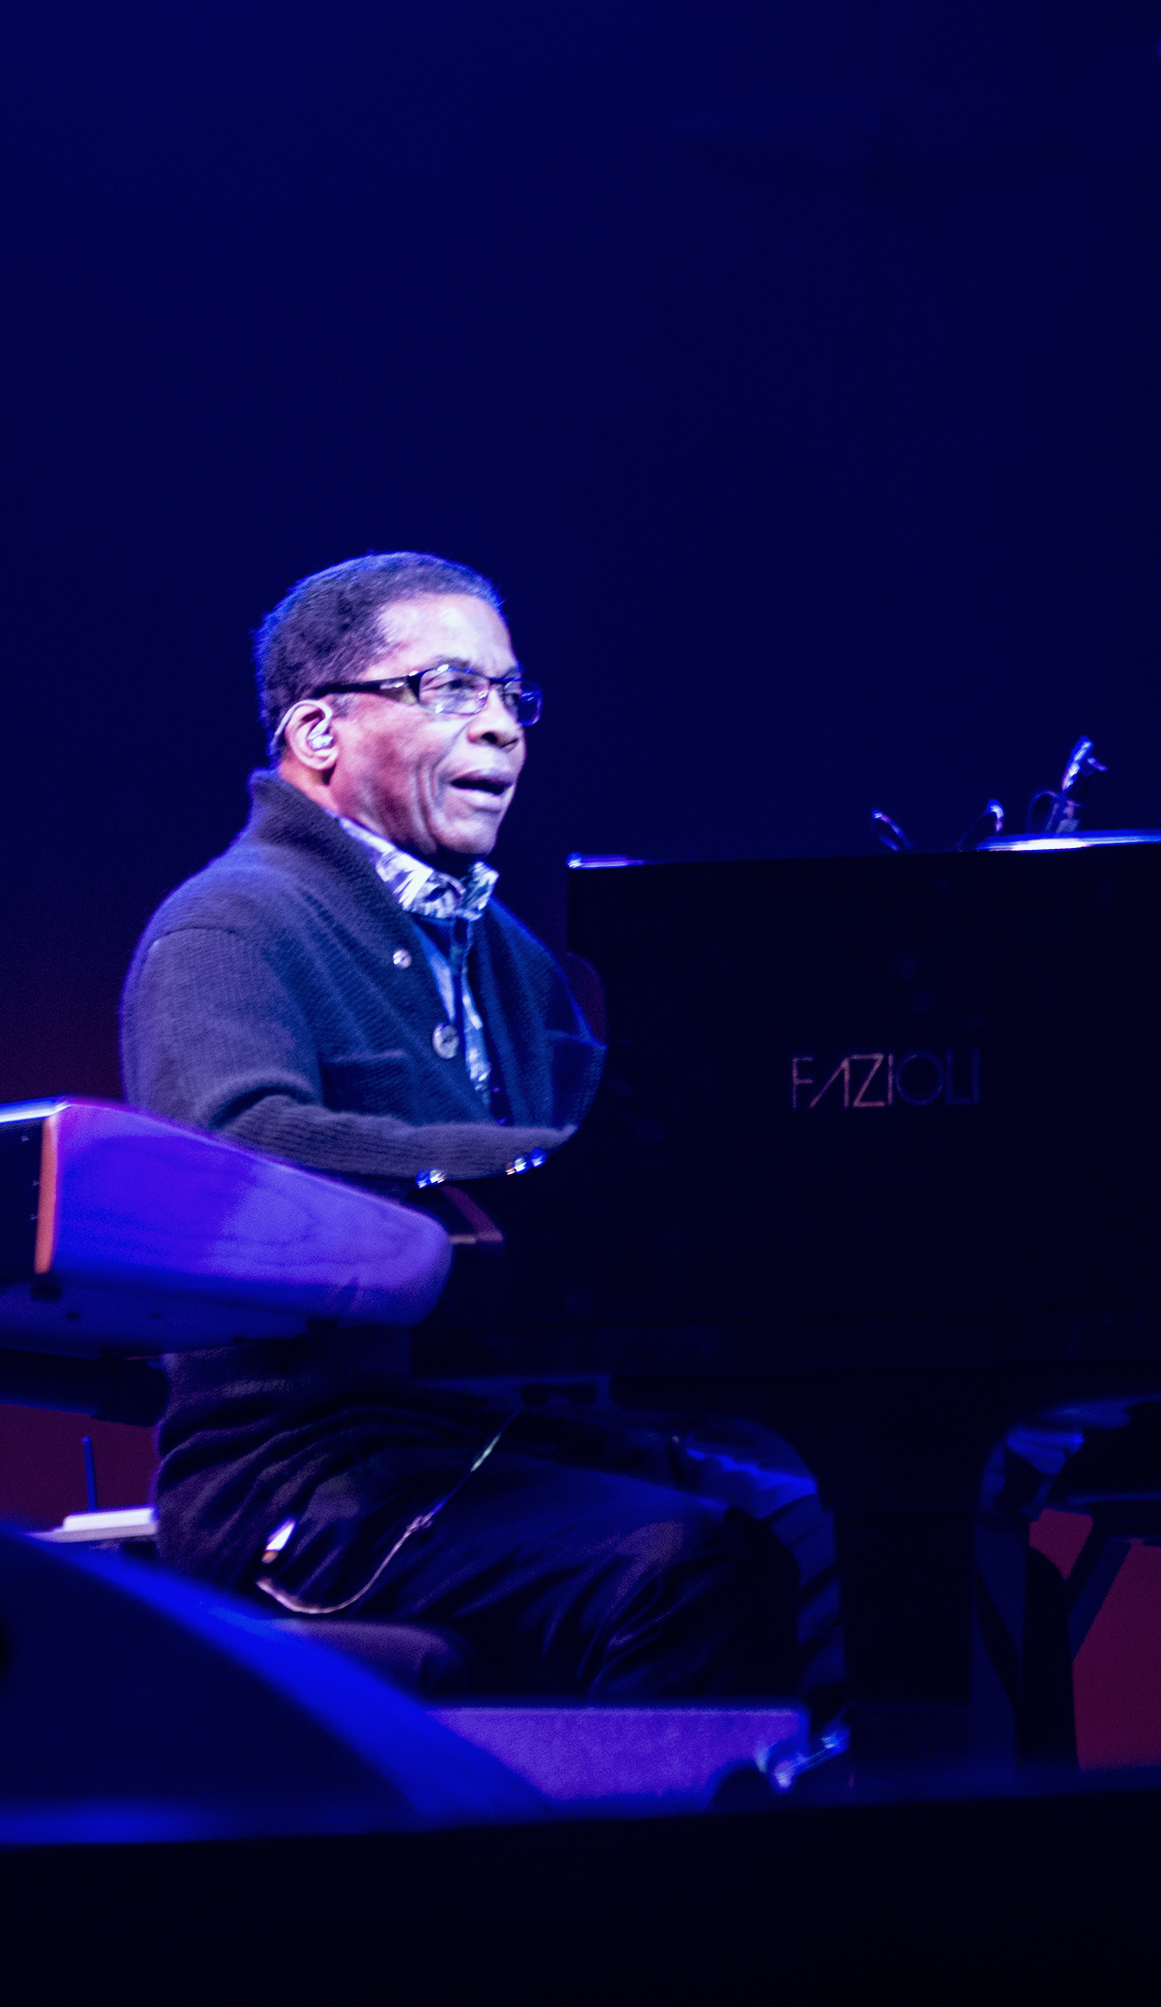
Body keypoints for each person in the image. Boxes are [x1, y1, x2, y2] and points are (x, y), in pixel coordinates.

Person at [122, 551, 839, 1711]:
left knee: (843, 1533)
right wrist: (524, 1168)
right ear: (317, 731)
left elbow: (632, 1178)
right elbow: (237, 1145)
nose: (502, 728)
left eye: (512, 695)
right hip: (312, 1473)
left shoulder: (510, 957)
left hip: (505, 1439)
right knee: (685, 1568)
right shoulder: (227, 925)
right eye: (452, 689)